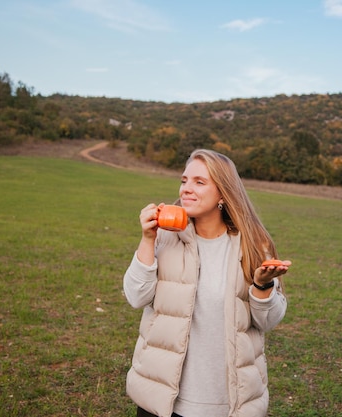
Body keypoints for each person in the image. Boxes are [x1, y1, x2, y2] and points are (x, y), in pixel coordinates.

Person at [123, 149, 290, 417]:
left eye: (200, 182)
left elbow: (268, 321)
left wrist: (262, 287)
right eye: (184, 180)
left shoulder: (253, 245)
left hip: (228, 404)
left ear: (223, 193)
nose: (187, 189)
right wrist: (147, 239)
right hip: (162, 401)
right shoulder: (165, 237)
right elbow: (136, 296)